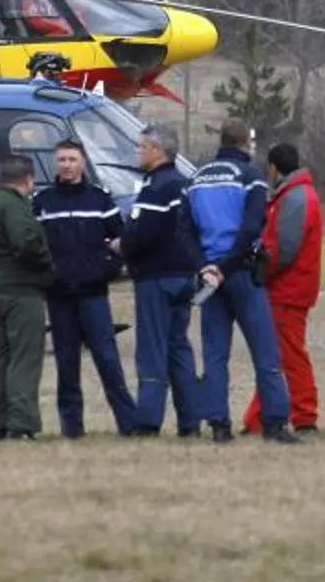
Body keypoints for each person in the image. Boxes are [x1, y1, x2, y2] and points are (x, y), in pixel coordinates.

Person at [183, 120, 302, 445]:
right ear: (246, 144)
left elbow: (185, 231)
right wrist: (225, 266)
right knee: (265, 352)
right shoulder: (251, 178)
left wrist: (205, 267)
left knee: (215, 354)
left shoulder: (195, 178)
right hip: (240, 273)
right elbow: (251, 227)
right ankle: (276, 423)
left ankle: (219, 424)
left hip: (209, 278)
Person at [34, 138, 137, 438]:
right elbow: (34, 244)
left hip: (93, 295)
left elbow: (121, 240)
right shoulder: (43, 202)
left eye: (72, 160)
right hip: (59, 296)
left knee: (108, 360)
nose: (66, 165)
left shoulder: (100, 200)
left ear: (83, 162)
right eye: (62, 160)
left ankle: (129, 424)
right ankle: (72, 428)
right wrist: (49, 276)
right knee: (67, 365)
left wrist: (104, 270)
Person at [109, 123, 203, 437]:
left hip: (156, 279)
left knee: (152, 349)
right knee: (179, 348)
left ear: (156, 151)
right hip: (184, 276)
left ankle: (148, 420)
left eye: (141, 147)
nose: (138, 153)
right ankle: (190, 421)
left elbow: (139, 234)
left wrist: (119, 245)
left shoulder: (156, 187)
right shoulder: (185, 184)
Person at [241, 142, 323, 439]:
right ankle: (259, 417)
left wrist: (260, 268)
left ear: (274, 168)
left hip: (289, 289)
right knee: (274, 355)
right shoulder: (293, 194)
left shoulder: (295, 197)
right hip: (288, 288)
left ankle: (304, 416)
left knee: (288, 355)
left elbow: (285, 248)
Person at [0, 153, 52, 440]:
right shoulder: (15, 206)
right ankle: (21, 424)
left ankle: (0, 421)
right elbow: (26, 242)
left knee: (4, 358)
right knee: (25, 358)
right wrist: (47, 263)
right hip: (21, 289)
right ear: (28, 179)